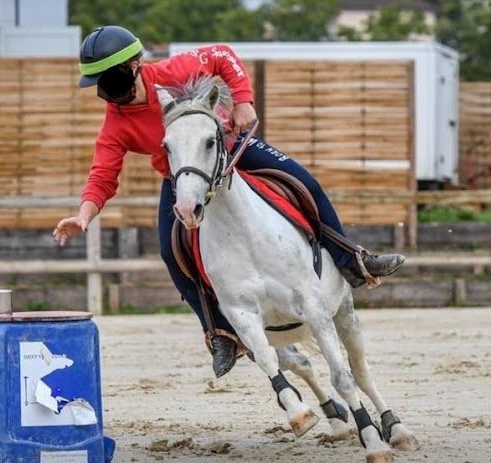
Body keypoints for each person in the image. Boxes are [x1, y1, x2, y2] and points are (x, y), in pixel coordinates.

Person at [53, 25, 405, 378]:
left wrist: (243, 99)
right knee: (170, 252)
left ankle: (353, 260)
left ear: (135, 65)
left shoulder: (173, 71)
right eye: (101, 88)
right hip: (182, 177)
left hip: (230, 147)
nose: (110, 96)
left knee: (305, 183)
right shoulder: (115, 124)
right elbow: (102, 176)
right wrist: (84, 216)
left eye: (111, 81)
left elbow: (222, 54)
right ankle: (220, 332)